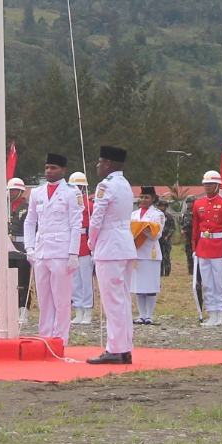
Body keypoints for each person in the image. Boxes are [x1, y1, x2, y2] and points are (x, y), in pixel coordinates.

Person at [23, 152, 82, 346]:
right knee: (44, 298)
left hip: (61, 252)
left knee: (62, 299)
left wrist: (73, 254)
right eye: (47, 167)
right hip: (41, 251)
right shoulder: (37, 192)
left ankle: (60, 339)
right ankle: (45, 337)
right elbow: (30, 221)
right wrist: (29, 247)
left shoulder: (71, 193)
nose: (49, 171)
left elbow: (76, 224)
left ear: (64, 170)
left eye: (53, 168)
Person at [87, 146, 137, 364]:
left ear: (108, 164)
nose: (97, 166)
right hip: (125, 243)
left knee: (112, 300)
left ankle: (115, 348)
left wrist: (91, 241)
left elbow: (96, 218)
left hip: (109, 245)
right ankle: (124, 347)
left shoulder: (105, 185)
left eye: (100, 162)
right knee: (123, 298)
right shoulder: (125, 185)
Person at [191, 170, 222, 326]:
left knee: (220, 283)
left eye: (211, 184)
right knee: (208, 284)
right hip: (203, 247)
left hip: (219, 248)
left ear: (217, 185)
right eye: (205, 184)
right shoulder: (198, 204)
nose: (207, 187)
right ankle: (211, 313)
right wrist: (194, 248)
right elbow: (195, 228)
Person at [131, 186, 166, 324]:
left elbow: (156, 234)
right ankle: (141, 314)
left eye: (146, 197)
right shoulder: (134, 214)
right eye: (142, 197)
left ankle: (150, 315)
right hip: (137, 252)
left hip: (150, 253)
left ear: (153, 199)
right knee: (139, 287)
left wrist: (141, 228)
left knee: (150, 286)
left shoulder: (158, 214)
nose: (143, 200)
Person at [68, 171, 95, 325]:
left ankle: (88, 310)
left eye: (80, 187)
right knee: (74, 280)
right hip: (72, 242)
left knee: (86, 279)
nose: (77, 189)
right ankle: (77, 309)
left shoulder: (90, 205)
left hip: (85, 243)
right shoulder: (67, 202)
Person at [7, 177, 32, 330]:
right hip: (9, 248)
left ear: (21, 191)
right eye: (9, 190)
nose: (11, 192)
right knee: (9, 281)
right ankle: (11, 309)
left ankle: (24, 309)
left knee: (23, 281)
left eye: (14, 190)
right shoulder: (5, 207)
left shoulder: (26, 207)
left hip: (22, 248)